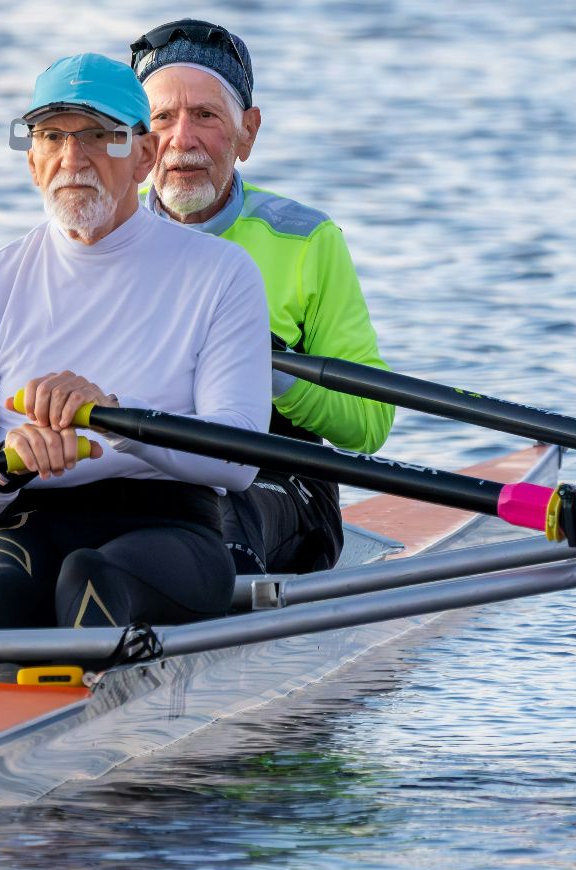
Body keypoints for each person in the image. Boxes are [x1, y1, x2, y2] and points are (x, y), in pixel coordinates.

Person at [0, 53, 271, 679]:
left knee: (88, 577)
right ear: (32, 161)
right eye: (52, 137)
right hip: (23, 520)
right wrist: (8, 466)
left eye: (99, 136)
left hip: (167, 524)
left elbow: (237, 461)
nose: (73, 158)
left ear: (144, 157)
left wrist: (112, 419)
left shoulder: (220, 274)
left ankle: (19, 698)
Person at [130, 19, 395, 575]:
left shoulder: (306, 239)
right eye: (163, 118)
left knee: (225, 509)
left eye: (206, 116)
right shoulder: (101, 238)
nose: (182, 140)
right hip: (144, 470)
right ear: (136, 138)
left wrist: (272, 366)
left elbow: (369, 424)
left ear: (247, 132)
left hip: (277, 475)